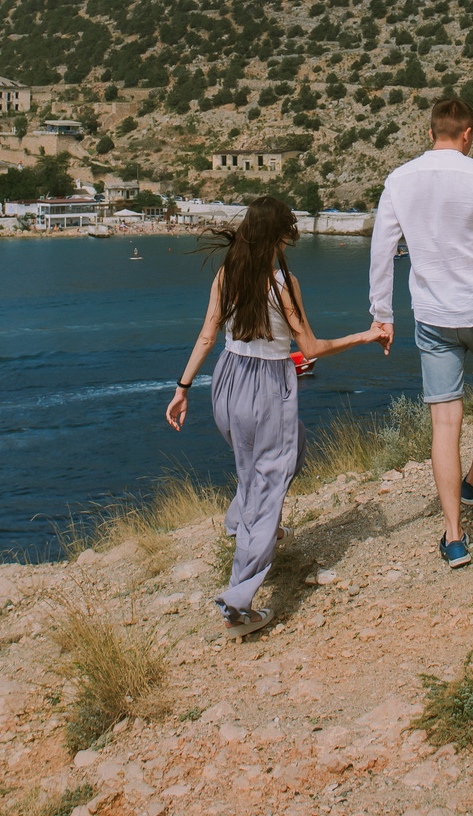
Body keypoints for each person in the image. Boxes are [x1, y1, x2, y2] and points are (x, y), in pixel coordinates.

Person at [166, 195, 389, 639]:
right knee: (269, 482)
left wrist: (183, 388)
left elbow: (208, 333)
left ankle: (240, 522)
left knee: (284, 451)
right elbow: (311, 349)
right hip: (267, 385)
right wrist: (365, 335)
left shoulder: (228, 273)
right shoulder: (282, 282)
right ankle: (238, 603)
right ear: (282, 234)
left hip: (226, 383)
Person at [366, 96, 473, 569]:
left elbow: (382, 251)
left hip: (432, 317)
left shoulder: (398, 180)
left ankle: (455, 537)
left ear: (431, 132)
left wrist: (383, 316)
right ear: (468, 134)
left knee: (445, 422)